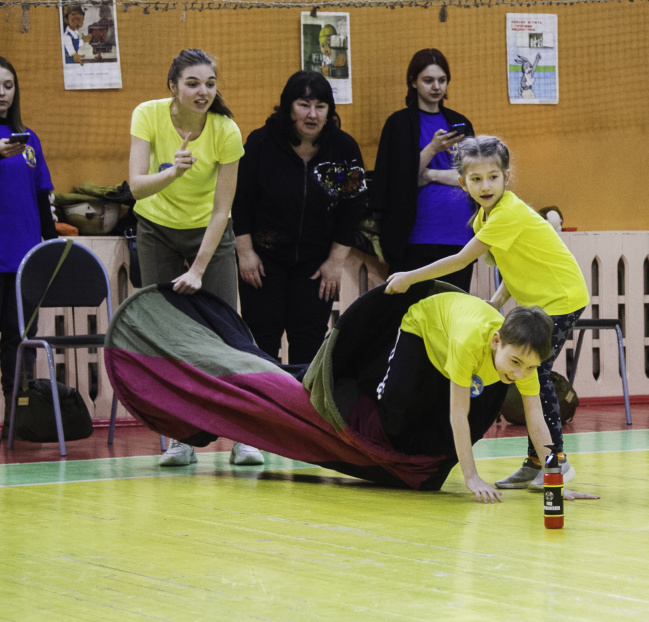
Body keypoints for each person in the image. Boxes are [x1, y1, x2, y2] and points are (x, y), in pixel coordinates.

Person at [384, 135, 590, 491]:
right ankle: (534, 462)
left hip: (560, 300)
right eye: (476, 179)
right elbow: (511, 268)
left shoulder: (507, 213)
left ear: (507, 178)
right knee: (531, 379)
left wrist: (409, 277)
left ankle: (557, 465)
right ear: (463, 182)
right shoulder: (485, 218)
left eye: (493, 177)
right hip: (537, 301)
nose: (485, 185)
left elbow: (461, 260)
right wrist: (494, 303)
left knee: (534, 378)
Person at [128, 48, 263, 467]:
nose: (202, 91)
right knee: (166, 335)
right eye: (192, 83)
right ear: (173, 86)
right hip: (156, 230)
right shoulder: (147, 115)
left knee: (227, 334)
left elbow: (223, 211)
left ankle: (244, 438)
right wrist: (173, 171)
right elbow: (135, 186)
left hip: (211, 233)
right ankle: (180, 440)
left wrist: (200, 269)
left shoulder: (226, 131)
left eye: (209, 83)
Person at [232, 71, 367, 365]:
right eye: (304, 105)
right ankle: (261, 409)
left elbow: (353, 208)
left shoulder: (344, 148)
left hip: (316, 263)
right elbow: (239, 201)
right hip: (263, 259)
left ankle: (300, 410)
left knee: (308, 342)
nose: (312, 114)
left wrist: (335, 263)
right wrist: (244, 253)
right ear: (287, 107)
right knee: (261, 340)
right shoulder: (260, 142)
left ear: (330, 111)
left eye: (321, 106)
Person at [376, 292, 554, 503]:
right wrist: (472, 477)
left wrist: (555, 483)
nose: (520, 374)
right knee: (396, 405)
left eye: (530, 367)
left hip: (455, 355)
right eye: (515, 362)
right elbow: (458, 413)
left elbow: (535, 416)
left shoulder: (524, 361)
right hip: (423, 330)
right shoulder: (469, 342)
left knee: (474, 426)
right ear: (496, 341)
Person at [371, 48, 476, 293]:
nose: (436, 87)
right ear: (413, 82)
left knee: (453, 311)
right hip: (415, 236)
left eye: (442, 80)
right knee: (413, 312)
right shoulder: (398, 124)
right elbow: (397, 180)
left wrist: (429, 175)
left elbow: (471, 176)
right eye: (428, 80)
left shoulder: (459, 123)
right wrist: (431, 149)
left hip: (459, 235)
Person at [0, 56, 58, 438]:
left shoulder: (28, 137)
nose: (1, 93)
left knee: (20, 342)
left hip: (23, 262)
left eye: (7, 86)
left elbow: (42, 197)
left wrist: (52, 247)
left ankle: (17, 420)